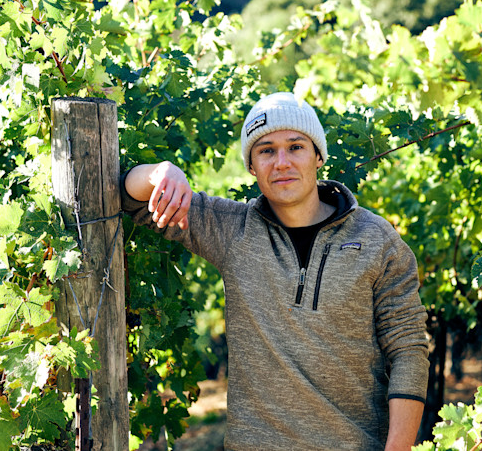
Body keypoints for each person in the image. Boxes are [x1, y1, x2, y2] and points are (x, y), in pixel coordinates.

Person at [121, 92, 429, 450]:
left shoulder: (376, 239)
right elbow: (132, 200)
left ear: (318, 156)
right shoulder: (232, 230)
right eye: (266, 151)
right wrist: (161, 173)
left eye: (295, 147)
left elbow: (408, 349)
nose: (282, 163)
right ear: (252, 166)